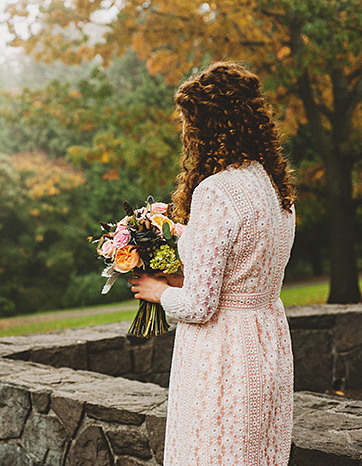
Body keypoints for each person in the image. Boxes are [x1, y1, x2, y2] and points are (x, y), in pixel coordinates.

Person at [128, 61, 296, 465]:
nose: (186, 132)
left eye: (189, 122)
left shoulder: (216, 191)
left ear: (209, 126)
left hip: (224, 354)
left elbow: (200, 305)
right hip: (268, 339)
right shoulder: (274, 186)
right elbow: (245, 259)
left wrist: (158, 291)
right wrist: (177, 233)